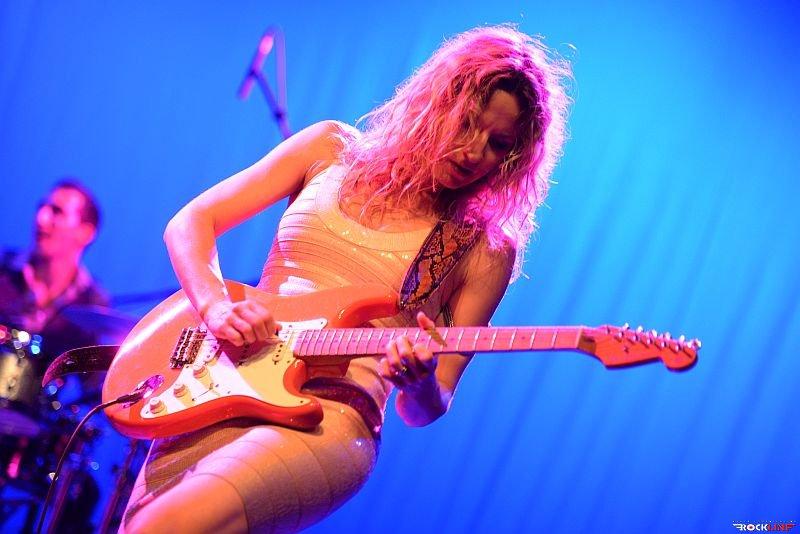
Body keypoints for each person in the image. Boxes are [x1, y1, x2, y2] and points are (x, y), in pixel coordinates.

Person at [122, 25, 571, 533]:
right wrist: (216, 306)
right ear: (438, 101)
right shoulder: (328, 148)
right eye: (468, 123)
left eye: (497, 144)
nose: (474, 152)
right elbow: (191, 222)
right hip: (223, 380)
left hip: (330, 414)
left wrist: (421, 383)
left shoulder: (482, 247)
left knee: (166, 525)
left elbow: (430, 405)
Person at [0, 179, 108, 532]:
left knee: (82, 495)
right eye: (42, 208)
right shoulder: (4, 270)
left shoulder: (94, 306)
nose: (42, 218)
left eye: (57, 212)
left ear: (86, 232)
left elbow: (95, 389)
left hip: (34, 433)